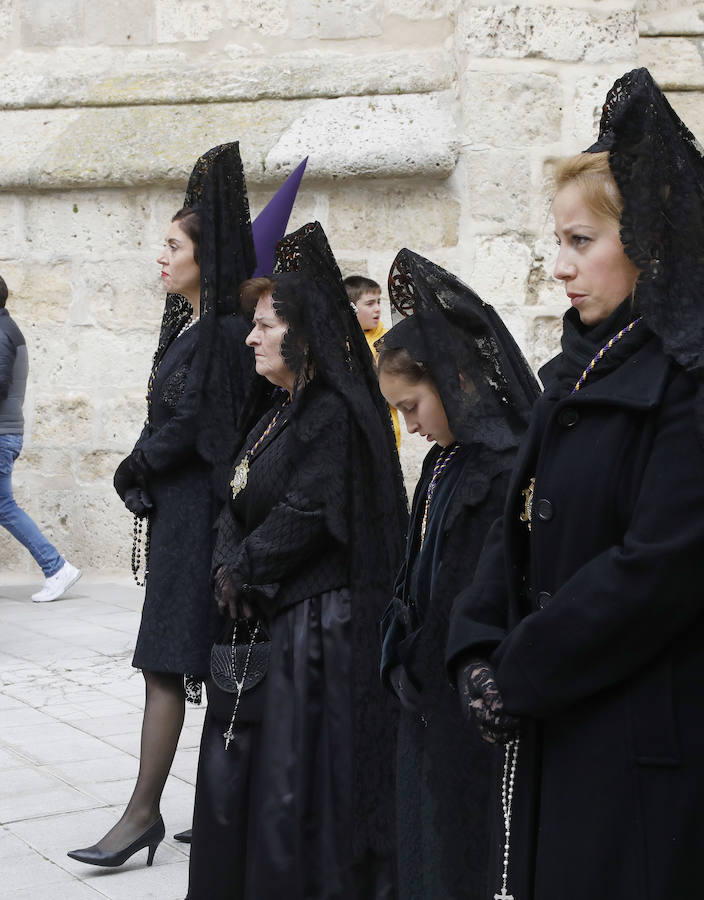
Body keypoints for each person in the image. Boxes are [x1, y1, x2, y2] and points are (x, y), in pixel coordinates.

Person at [447, 69, 704, 900]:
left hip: (652, 746)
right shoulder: (579, 365)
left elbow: (658, 567)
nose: (558, 267)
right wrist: (475, 644)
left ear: (648, 240)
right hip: (571, 715)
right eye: (555, 241)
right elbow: (515, 524)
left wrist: (520, 671)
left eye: (580, 242)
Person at [187, 222, 408, 900]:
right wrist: (230, 565)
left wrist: (248, 568)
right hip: (263, 620)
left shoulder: (333, 415)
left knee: (294, 787)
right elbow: (233, 497)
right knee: (244, 781)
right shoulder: (274, 413)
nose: (251, 338)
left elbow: (310, 511)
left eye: (264, 326)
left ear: (302, 332)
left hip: (315, 629)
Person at [68, 142, 256, 869]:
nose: (161, 256)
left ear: (206, 257)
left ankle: (143, 814)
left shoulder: (227, 333)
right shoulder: (195, 331)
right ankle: (204, 810)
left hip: (200, 523)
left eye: (172, 245)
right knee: (179, 662)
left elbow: (198, 428)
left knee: (169, 664)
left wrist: (136, 465)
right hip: (181, 518)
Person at [377, 249, 540, 900]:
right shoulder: (442, 462)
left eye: (412, 405)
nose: (408, 425)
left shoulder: (498, 467)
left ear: (453, 380)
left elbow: (477, 590)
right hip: (421, 695)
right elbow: (415, 567)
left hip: (466, 699)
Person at [0, 275, 81, 601]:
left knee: (4, 507)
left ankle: (56, 567)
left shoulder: (3, 333)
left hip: (1, 434)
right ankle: (56, 567)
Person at [344, 273, 401, 447]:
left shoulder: (388, 342)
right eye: (370, 303)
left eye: (378, 302)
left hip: (383, 432)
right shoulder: (340, 342)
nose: (377, 308)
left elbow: (397, 393)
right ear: (351, 307)